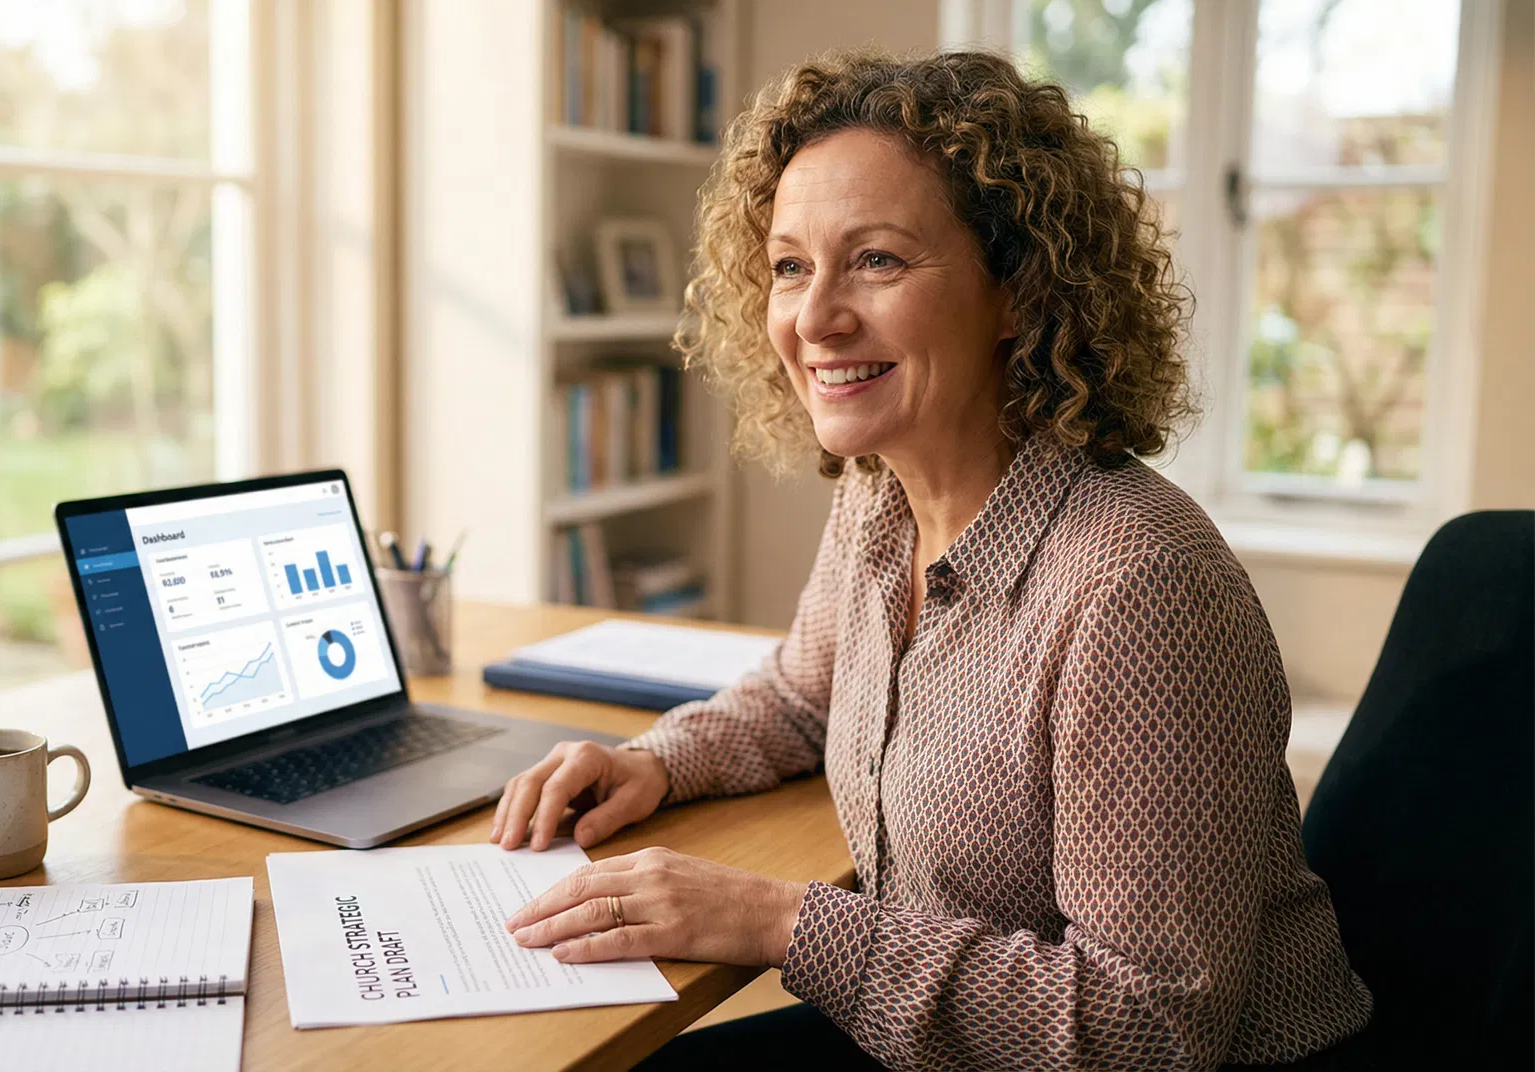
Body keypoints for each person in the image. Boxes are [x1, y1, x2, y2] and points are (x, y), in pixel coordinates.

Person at [493, 49, 1370, 1071]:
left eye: (877, 260)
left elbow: (1151, 1026)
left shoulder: (1136, 585)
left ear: (1018, 290)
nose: (814, 317)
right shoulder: (880, 497)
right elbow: (797, 696)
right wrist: (652, 763)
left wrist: (780, 921)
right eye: (788, 265)